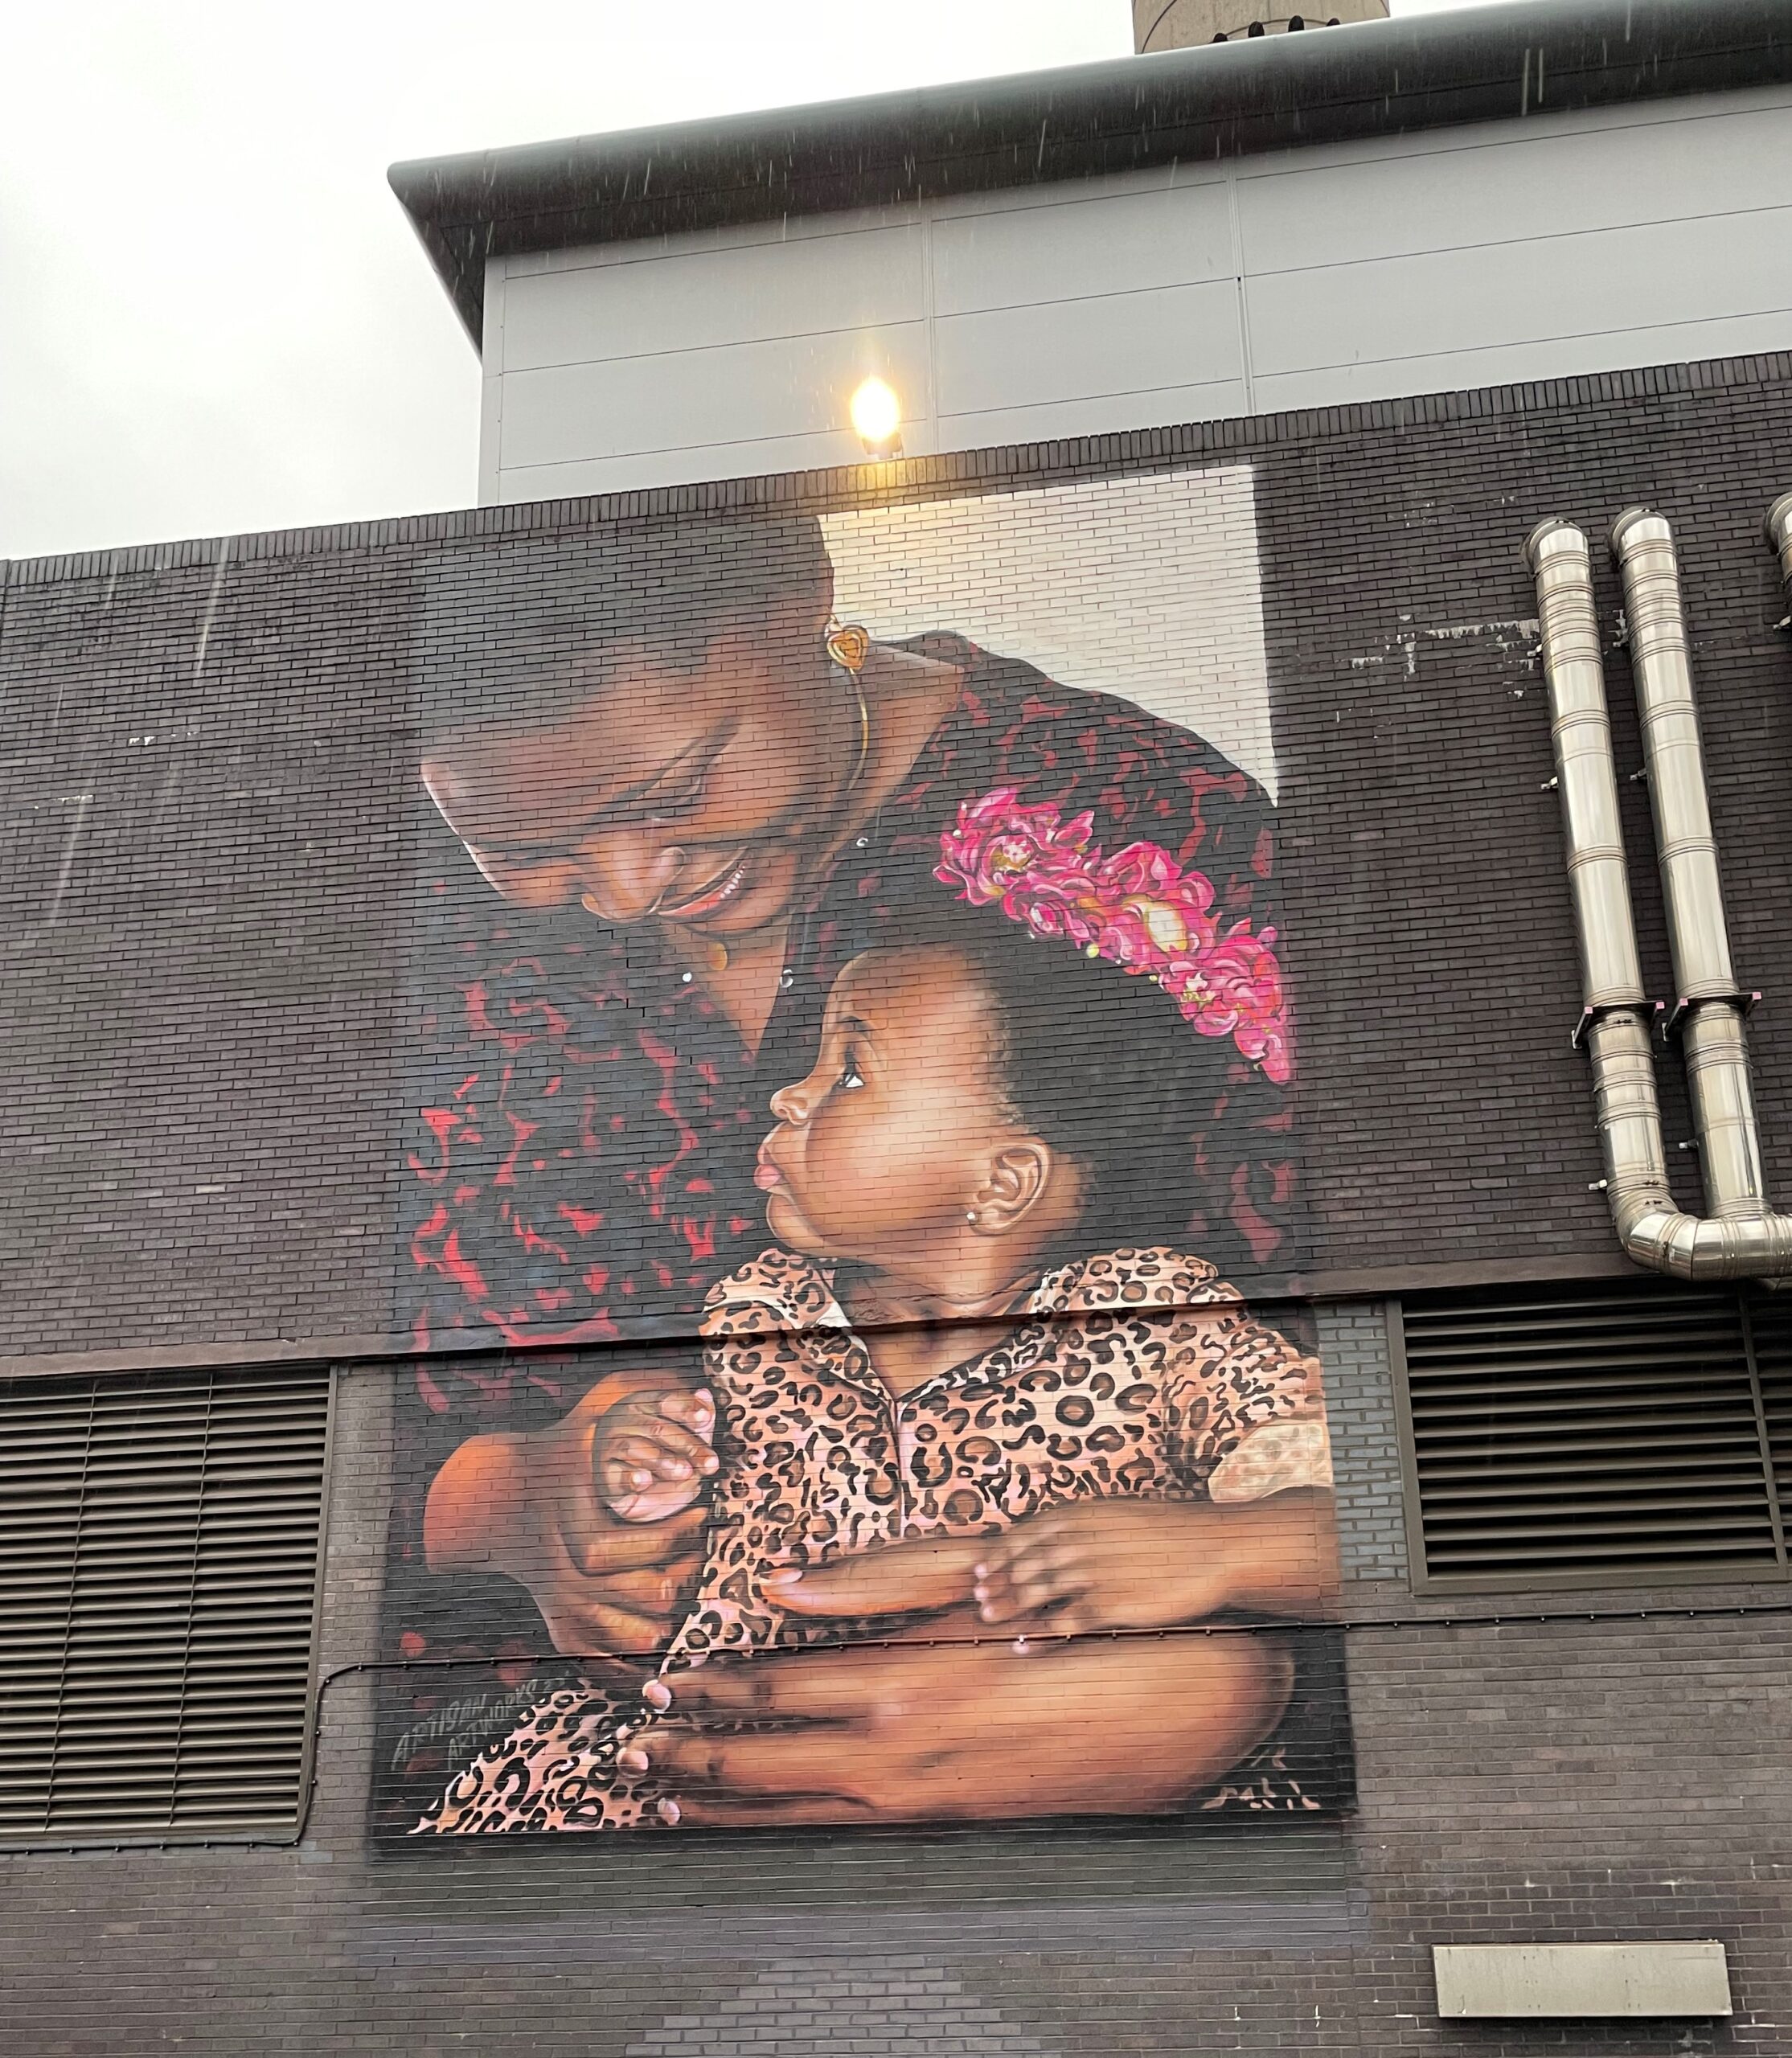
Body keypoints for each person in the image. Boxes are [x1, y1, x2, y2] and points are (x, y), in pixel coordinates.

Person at [388, 508, 1310, 1826]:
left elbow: (1428, 1412)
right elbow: (220, 1455)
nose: (632, 885)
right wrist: (491, 1503)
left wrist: (1216, 1691)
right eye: (523, 850)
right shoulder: (411, 950)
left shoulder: (1135, 838)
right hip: (571, 1827)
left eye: (675, 789)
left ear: (800, 598)